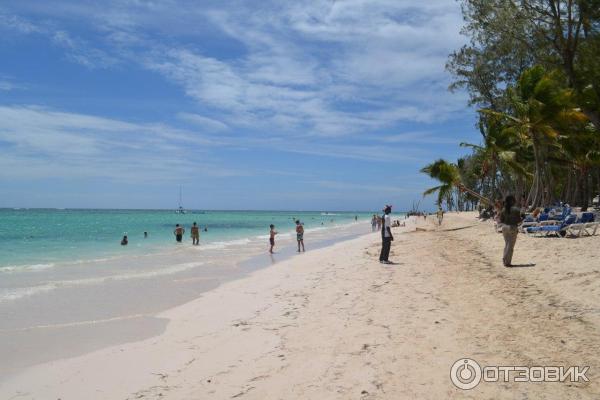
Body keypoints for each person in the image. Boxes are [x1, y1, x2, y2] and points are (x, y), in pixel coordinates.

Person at [499, 194, 523, 267]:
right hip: (512, 227)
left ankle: (504, 259)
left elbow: (501, 220)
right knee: (510, 246)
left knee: (507, 244)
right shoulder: (516, 209)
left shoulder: (503, 209)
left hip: (504, 227)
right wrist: (522, 219)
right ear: (512, 201)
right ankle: (507, 262)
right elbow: (519, 220)